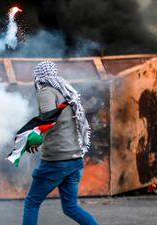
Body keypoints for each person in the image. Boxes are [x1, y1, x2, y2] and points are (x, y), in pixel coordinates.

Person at [22, 61, 99, 225]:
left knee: (32, 202)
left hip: (57, 161)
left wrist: (34, 138)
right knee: (70, 207)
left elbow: (49, 119)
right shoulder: (65, 91)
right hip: (75, 159)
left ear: (39, 77)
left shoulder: (46, 92)